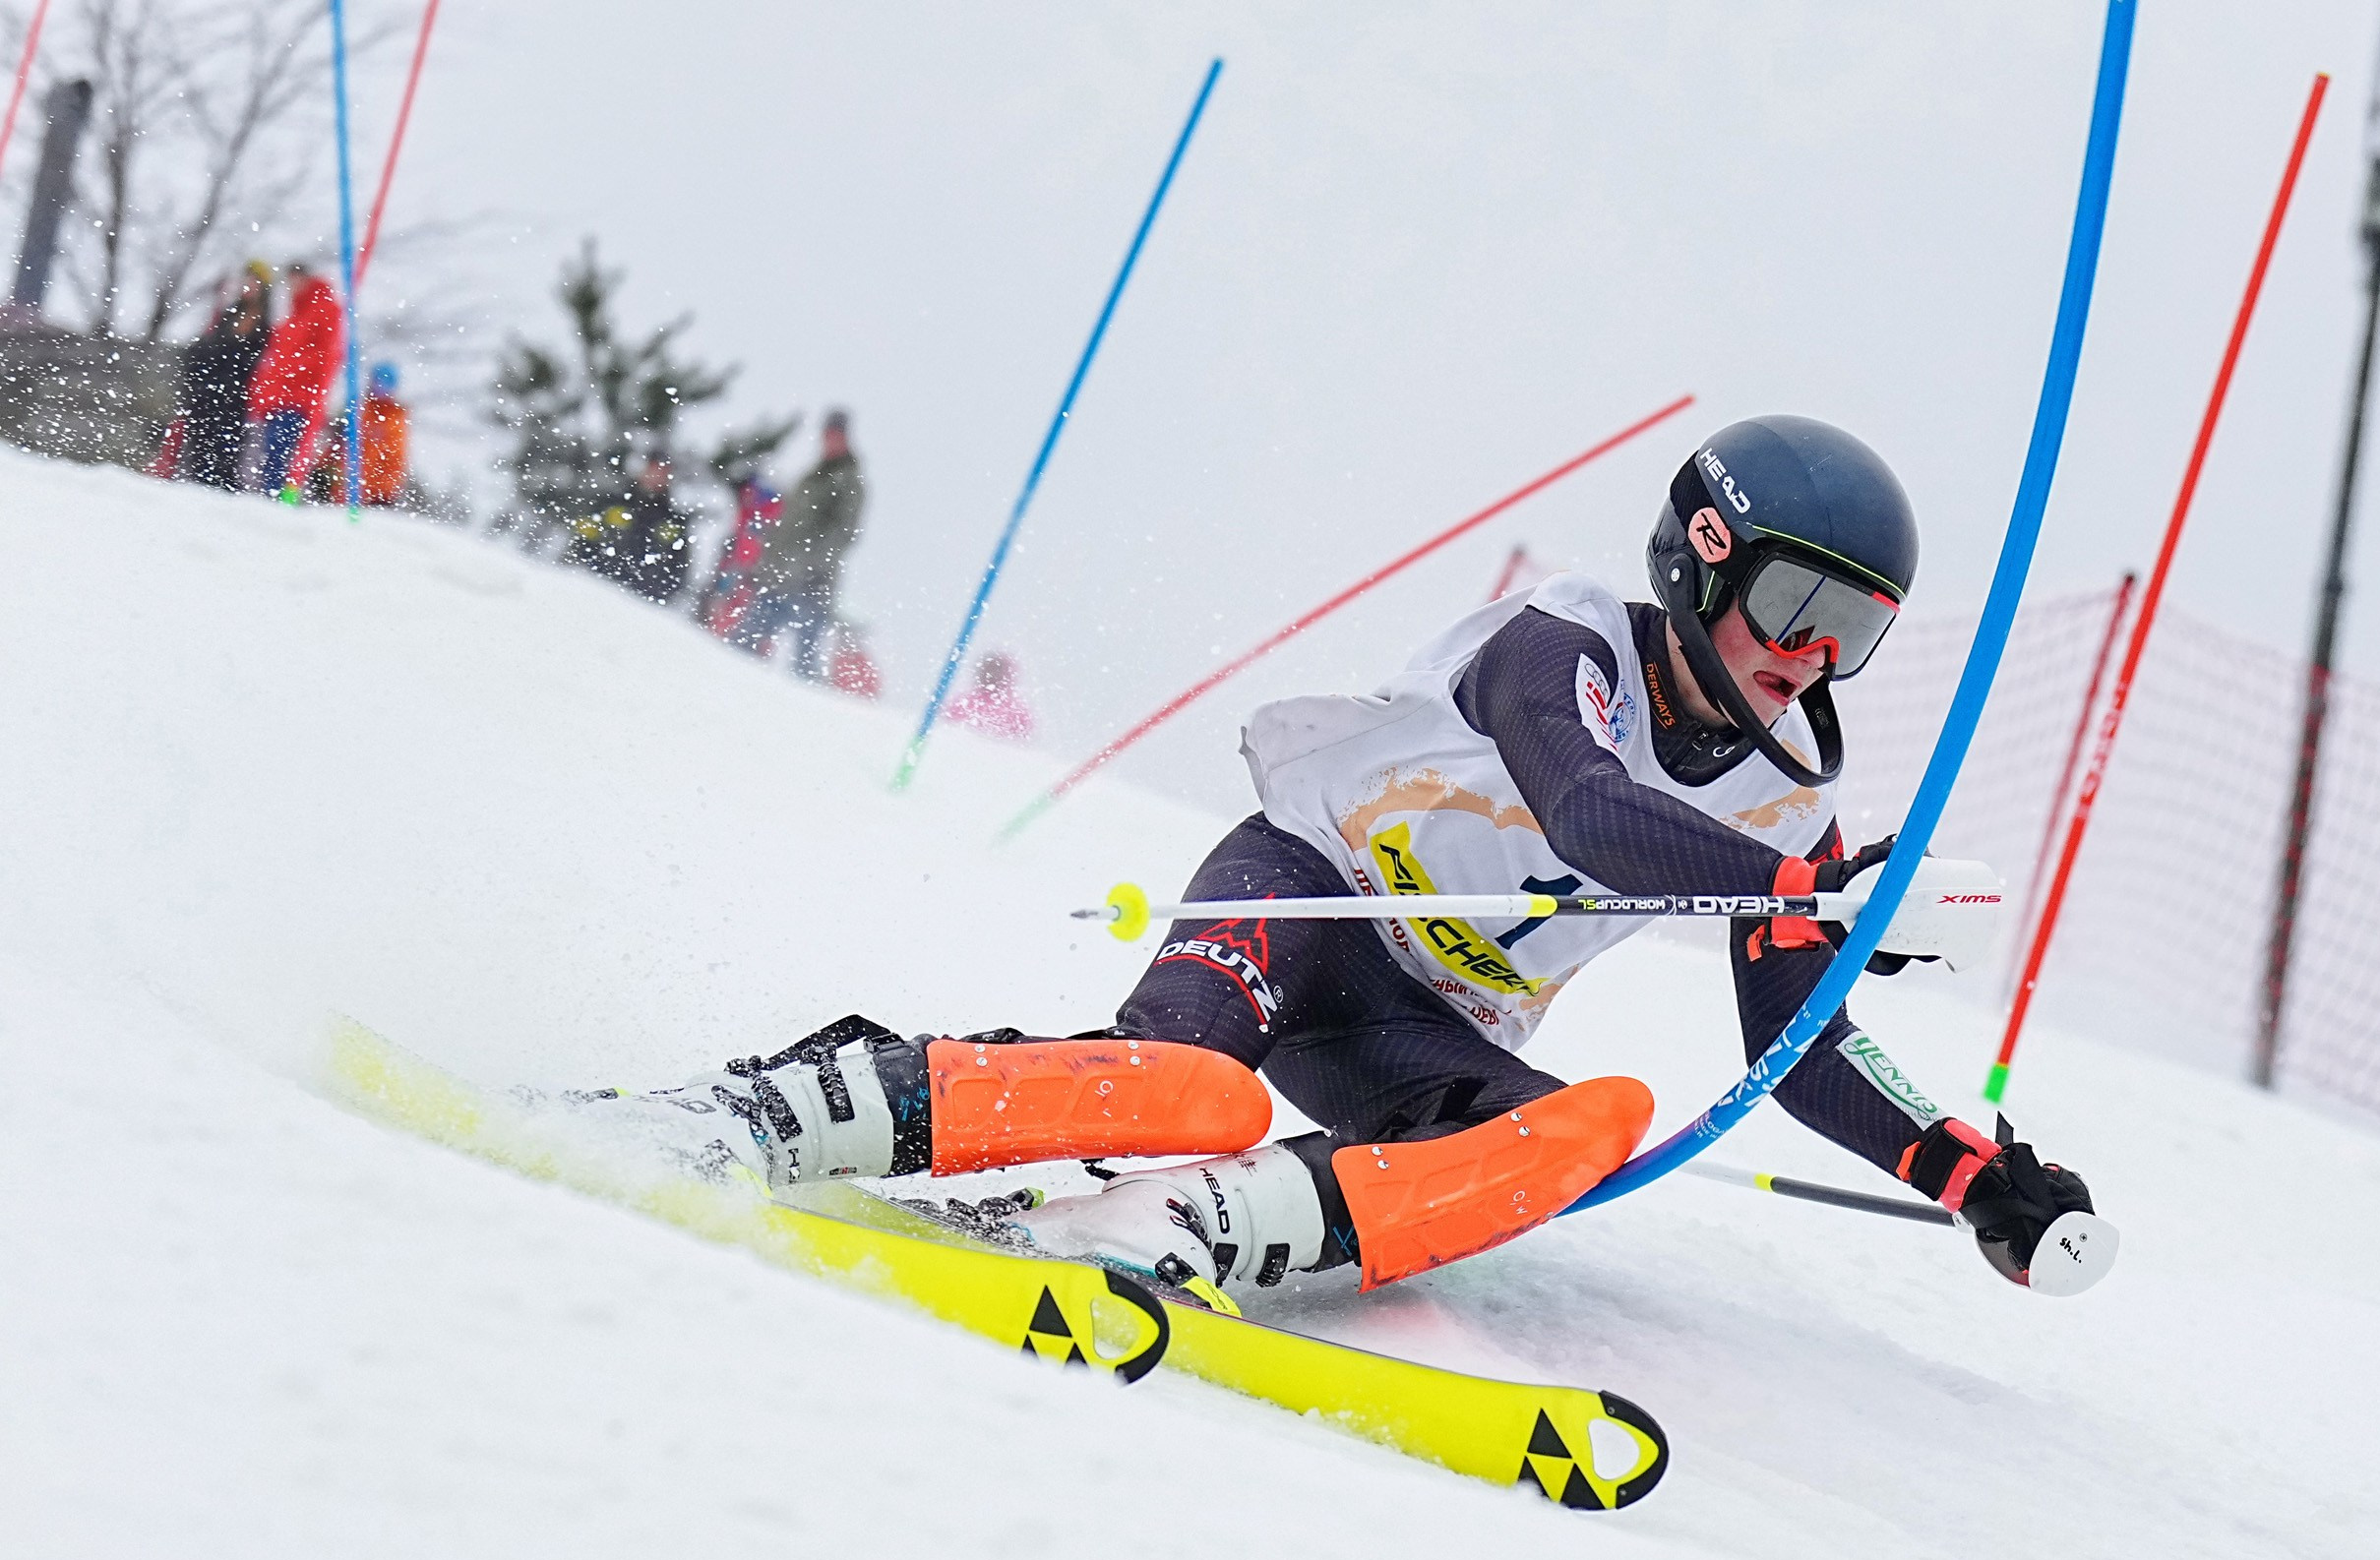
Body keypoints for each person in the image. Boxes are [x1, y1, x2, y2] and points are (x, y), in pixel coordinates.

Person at [611, 416, 2097, 1299]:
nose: (1811, 656)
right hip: (1305, 896)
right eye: (1795, 607)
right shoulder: (1567, 639)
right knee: (1188, 1088)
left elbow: (1801, 1045)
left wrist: (1969, 1176)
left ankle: (1184, 1224)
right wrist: (1805, 895)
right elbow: (1587, 809)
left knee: (1590, 1129)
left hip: (1417, 1029)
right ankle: (784, 1108)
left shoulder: (1790, 814)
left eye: (1856, 632)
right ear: (1701, 553)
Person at [734, 409, 865, 679]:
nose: (830, 441)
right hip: (778, 578)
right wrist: (765, 564)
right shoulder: (813, 476)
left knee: (804, 662)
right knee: (744, 642)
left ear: (845, 438)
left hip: (812, 584)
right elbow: (787, 526)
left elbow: (843, 534)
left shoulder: (848, 481)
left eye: (836, 435)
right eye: (827, 435)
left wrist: (808, 564)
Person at [245, 264, 343, 496]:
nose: (292, 288)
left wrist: (292, 368)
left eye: (296, 281)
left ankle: (280, 498)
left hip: (298, 400)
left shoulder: (323, 309)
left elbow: (327, 355)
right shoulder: (293, 317)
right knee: (269, 457)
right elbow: (275, 360)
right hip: (279, 399)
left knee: (282, 456)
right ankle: (271, 497)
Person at [171, 270, 271, 490]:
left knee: (226, 450)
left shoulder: (263, 325)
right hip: (209, 393)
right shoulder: (229, 315)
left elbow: (251, 361)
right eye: (246, 282)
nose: (248, 287)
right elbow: (211, 349)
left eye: (254, 283)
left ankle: (219, 487)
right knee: (200, 446)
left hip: (235, 398)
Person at [569, 454, 695, 604]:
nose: (656, 477)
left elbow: (679, 568)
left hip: (643, 602)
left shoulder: (671, 521)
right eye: (653, 470)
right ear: (642, 471)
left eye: (662, 473)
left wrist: (657, 594)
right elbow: (582, 540)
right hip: (596, 589)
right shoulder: (611, 504)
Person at [697, 471, 781, 634]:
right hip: (737, 560)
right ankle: (712, 626)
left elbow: (751, 543)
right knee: (722, 597)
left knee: (729, 601)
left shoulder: (763, 509)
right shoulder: (752, 506)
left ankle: (716, 629)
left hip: (743, 566)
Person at [318, 362, 410, 508]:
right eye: (377, 382)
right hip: (343, 489)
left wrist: (382, 489)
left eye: (385, 383)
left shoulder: (394, 417)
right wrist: (324, 469)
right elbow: (338, 445)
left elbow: (392, 457)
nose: (379, 387)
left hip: (378, 494)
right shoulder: (359, 409)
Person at [939, 650, 1033, 738]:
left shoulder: (1017, 713)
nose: (993, 675)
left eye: (997, 671)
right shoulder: (963, 703)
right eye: (988, 670)